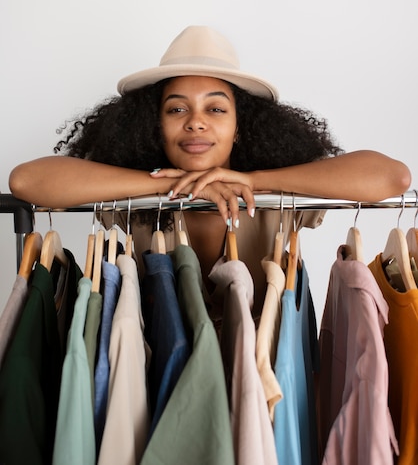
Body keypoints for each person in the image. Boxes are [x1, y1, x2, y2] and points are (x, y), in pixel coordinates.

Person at [9, 25, 411, 316]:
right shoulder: (131, 200)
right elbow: (25, 181)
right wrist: (166, 183)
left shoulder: (278, 201)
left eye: (216, 109)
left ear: (240, 127)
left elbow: (394, 178)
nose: (196, 122)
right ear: (155, 125)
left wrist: (253, 181)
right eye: (177, 109)